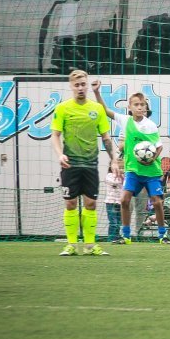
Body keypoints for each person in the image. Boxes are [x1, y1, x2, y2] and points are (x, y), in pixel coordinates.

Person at [92, 83, 170, 244]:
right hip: (133, 171)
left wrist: (151, 159)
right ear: (130, 107)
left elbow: (159, 147)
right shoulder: (125, 120)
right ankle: (126, 236)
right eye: (136, 104)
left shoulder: (150, 125)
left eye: (142, 104)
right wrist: (96, 92)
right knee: (124, 200)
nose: (140, 107)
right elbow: (105, 110)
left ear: (146, 107)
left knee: (157, 202)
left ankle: (163, 235)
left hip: (151, 172)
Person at [50, 70, 117, 256]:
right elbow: (55, 135)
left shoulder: (97, 109)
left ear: (87, 85)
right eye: (77, 85)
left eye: (83, 84)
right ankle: (71, 245)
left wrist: (114, 160)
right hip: (69, 165)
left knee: (91, 204)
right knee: (70, 203)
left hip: (90, 164)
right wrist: (60, 154)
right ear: (71, 86)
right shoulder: (62, 108)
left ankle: (89, 246)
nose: (80, 88)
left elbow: (106, 137)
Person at [104, 169, 123, 243]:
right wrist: (120, 175)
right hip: (111, 202)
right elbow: (114, 182)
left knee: (119, 222)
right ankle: (112, 238)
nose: (121, 169)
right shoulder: (109, 175)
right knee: (113, 222)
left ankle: (117, 237)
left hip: (120, 202)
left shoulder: (124, 176)